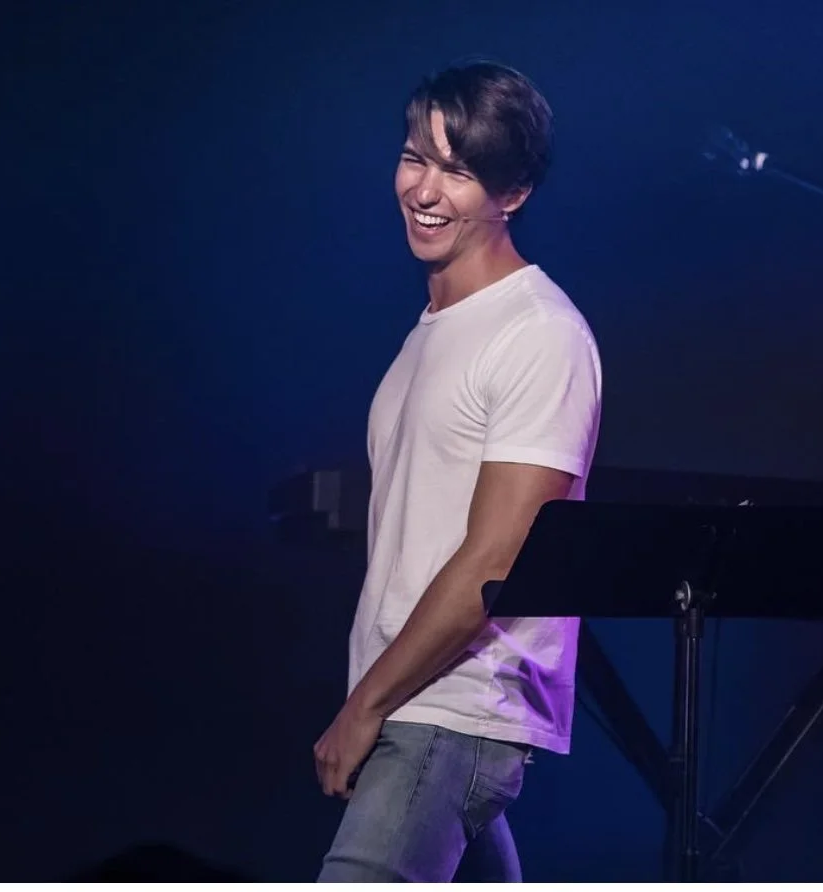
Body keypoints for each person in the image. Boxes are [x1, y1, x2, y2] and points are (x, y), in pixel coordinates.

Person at [313, 60, 603, 883]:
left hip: (452, 711)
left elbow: (496, 558)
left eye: (460, 170)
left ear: (515, 193)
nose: (425, 189)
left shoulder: (537, 333)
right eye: (416, 158)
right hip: (422, 707)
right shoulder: (433, 329)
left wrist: (365, 703)